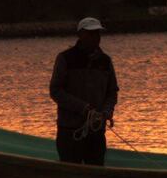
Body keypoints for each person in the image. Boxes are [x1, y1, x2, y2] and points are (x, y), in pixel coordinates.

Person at [50, 17, 119, 165]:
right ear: (81, 35)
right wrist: (84, 108)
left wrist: (107, 111)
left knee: (97, 171)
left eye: (98, 33)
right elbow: (55, 91)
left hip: (96, 132)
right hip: (70, 131)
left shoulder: (105, 61)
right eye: (91, 33)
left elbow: (112, 92)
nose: (96, 37)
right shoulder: (65, 58)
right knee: (70, 173)